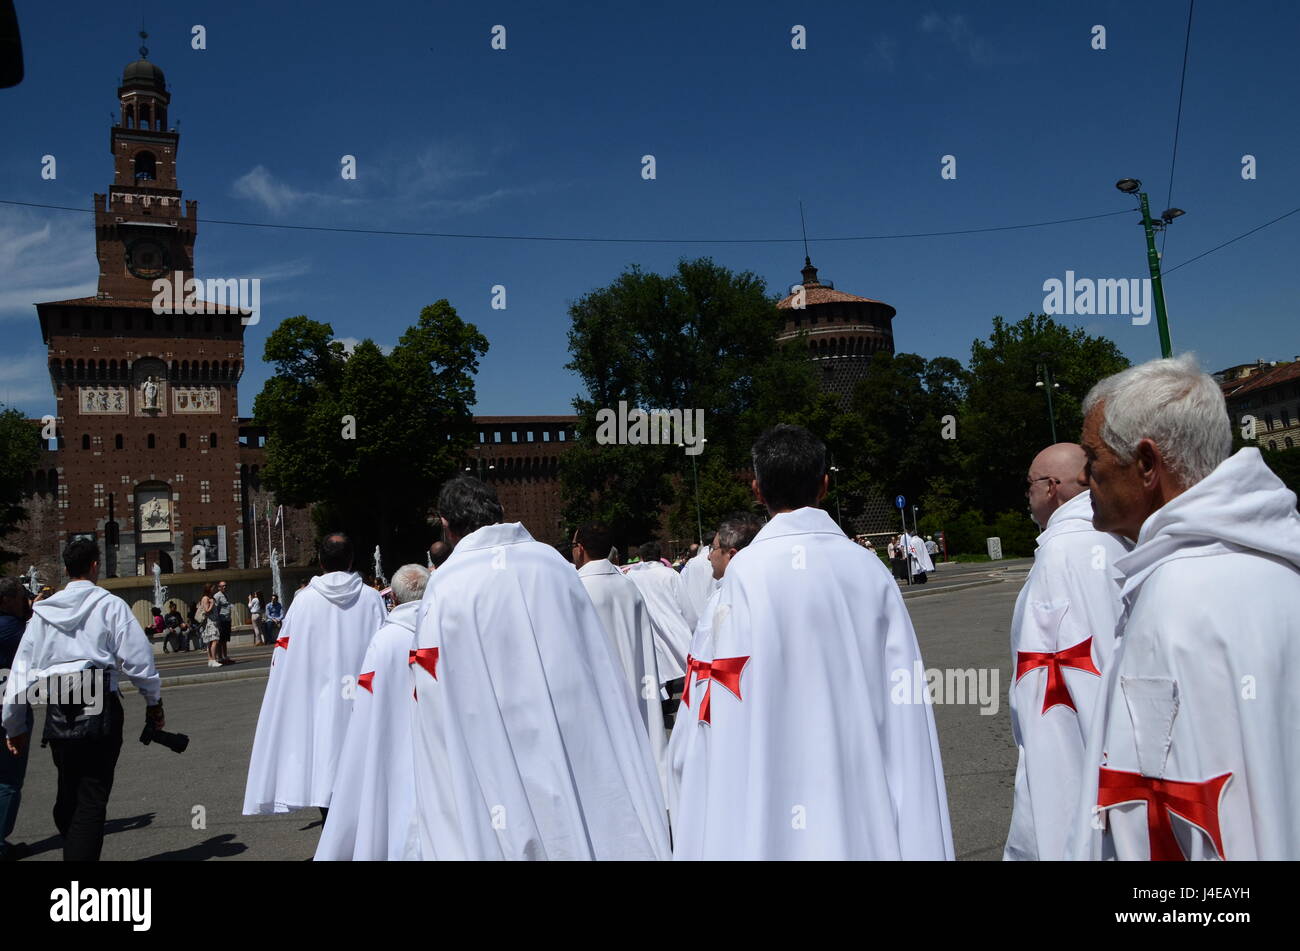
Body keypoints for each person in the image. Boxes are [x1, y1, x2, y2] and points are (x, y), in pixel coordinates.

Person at [672, 425, 953, 860]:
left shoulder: (739, 580)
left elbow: (711, 706)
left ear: (757, 489)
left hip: (765, 810)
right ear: (825, 484)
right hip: (860, 805)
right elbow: (905, 704)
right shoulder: (868, 570)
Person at [1070, 355, 1300, 860]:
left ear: (1148, 464)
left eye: (1094, 457)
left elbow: (1174, 810)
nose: (1086, 477)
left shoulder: (1173, 598)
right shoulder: (1281, 566)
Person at [410, 476, 669, 860]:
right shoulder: (554, 563)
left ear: (446, 523)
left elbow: (432, 690)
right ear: (499, 513)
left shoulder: (447, 585)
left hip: (491, 739)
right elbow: (594, 658)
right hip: (570, 727)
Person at [1003, 443, 1130, 861]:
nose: (1027, 495)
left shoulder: (1061, 553)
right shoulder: (1113, 541)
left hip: (1073, 747)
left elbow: (1044, 676)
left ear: (1052, 487)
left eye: (1029, 485)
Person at [1, 539, 163, 861]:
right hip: (98, 698)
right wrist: (153, 702)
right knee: (91, 795)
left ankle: (73, 839)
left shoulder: (44, 613)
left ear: (65, 569)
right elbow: (138, 659)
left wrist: (14, 724)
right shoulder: (110, 605)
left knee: (70, 790)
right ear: (94, 565)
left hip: (59, 701)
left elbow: (22, 671)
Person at [244, 533, 387, 819]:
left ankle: (330, 836)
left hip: (318, 699)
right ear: (351, 560)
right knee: (364, 771)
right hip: (363, 698)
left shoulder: (304, 602)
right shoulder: (371, 599)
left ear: (320, 561)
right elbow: (384, 649)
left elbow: (284, 654)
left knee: (326, 763)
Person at [316, 564, 429, 860]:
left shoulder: (385, 639)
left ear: (395, 598)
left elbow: (365, 695)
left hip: (392, 736)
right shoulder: (444, 628)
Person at [665, 512, 763, 816]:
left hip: (718, 721)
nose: (708, 556)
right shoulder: (725, 597)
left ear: (731, 554)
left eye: (714, 548)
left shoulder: (729, 603)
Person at [572, 522, 666, 794]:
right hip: (636, 687)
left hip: (595, 699)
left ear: (580, 549)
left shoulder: (575, 590)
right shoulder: (629, 586)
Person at [623, 540, 696, 687]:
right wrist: (692, 627)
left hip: (646, 628)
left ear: (642, 557)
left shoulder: (631, 577)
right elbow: (685, 605)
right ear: (659, 556)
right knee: (671, 662)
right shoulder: (670, 574)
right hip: (672, 626)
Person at [0, 577, 33, 860]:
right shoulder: (14, 629)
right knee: (9, 780)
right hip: (8, 711)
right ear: (6, 600)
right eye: (20, 597)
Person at [679, 534, 718, 622]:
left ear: (702, 543)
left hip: (695, 614)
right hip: (715, 612)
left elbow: (682, 584)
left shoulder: (691, 563)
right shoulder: (720, 559)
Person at [196, 584, 223, 668]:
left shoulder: (209, 598)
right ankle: (213, 660)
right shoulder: (205, 598)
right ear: (208, 589)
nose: (213, 590)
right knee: (214, 640)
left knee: (210, 642)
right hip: (210, 622)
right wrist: (212, 604)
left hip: (213, 621)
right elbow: (206, 610)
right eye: (212, 588)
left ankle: (210, 660)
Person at [213, 580, 234, 664]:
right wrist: (217, 620)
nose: (225, 587)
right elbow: (215, 609)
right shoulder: (217, 596)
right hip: (221, 621)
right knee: (220, 640)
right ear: (219, 587)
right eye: (223, 586)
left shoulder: (226, 595)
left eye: (226, 585)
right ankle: (220, 657)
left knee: (225, 640)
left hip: (227, 620)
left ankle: (225, 656)